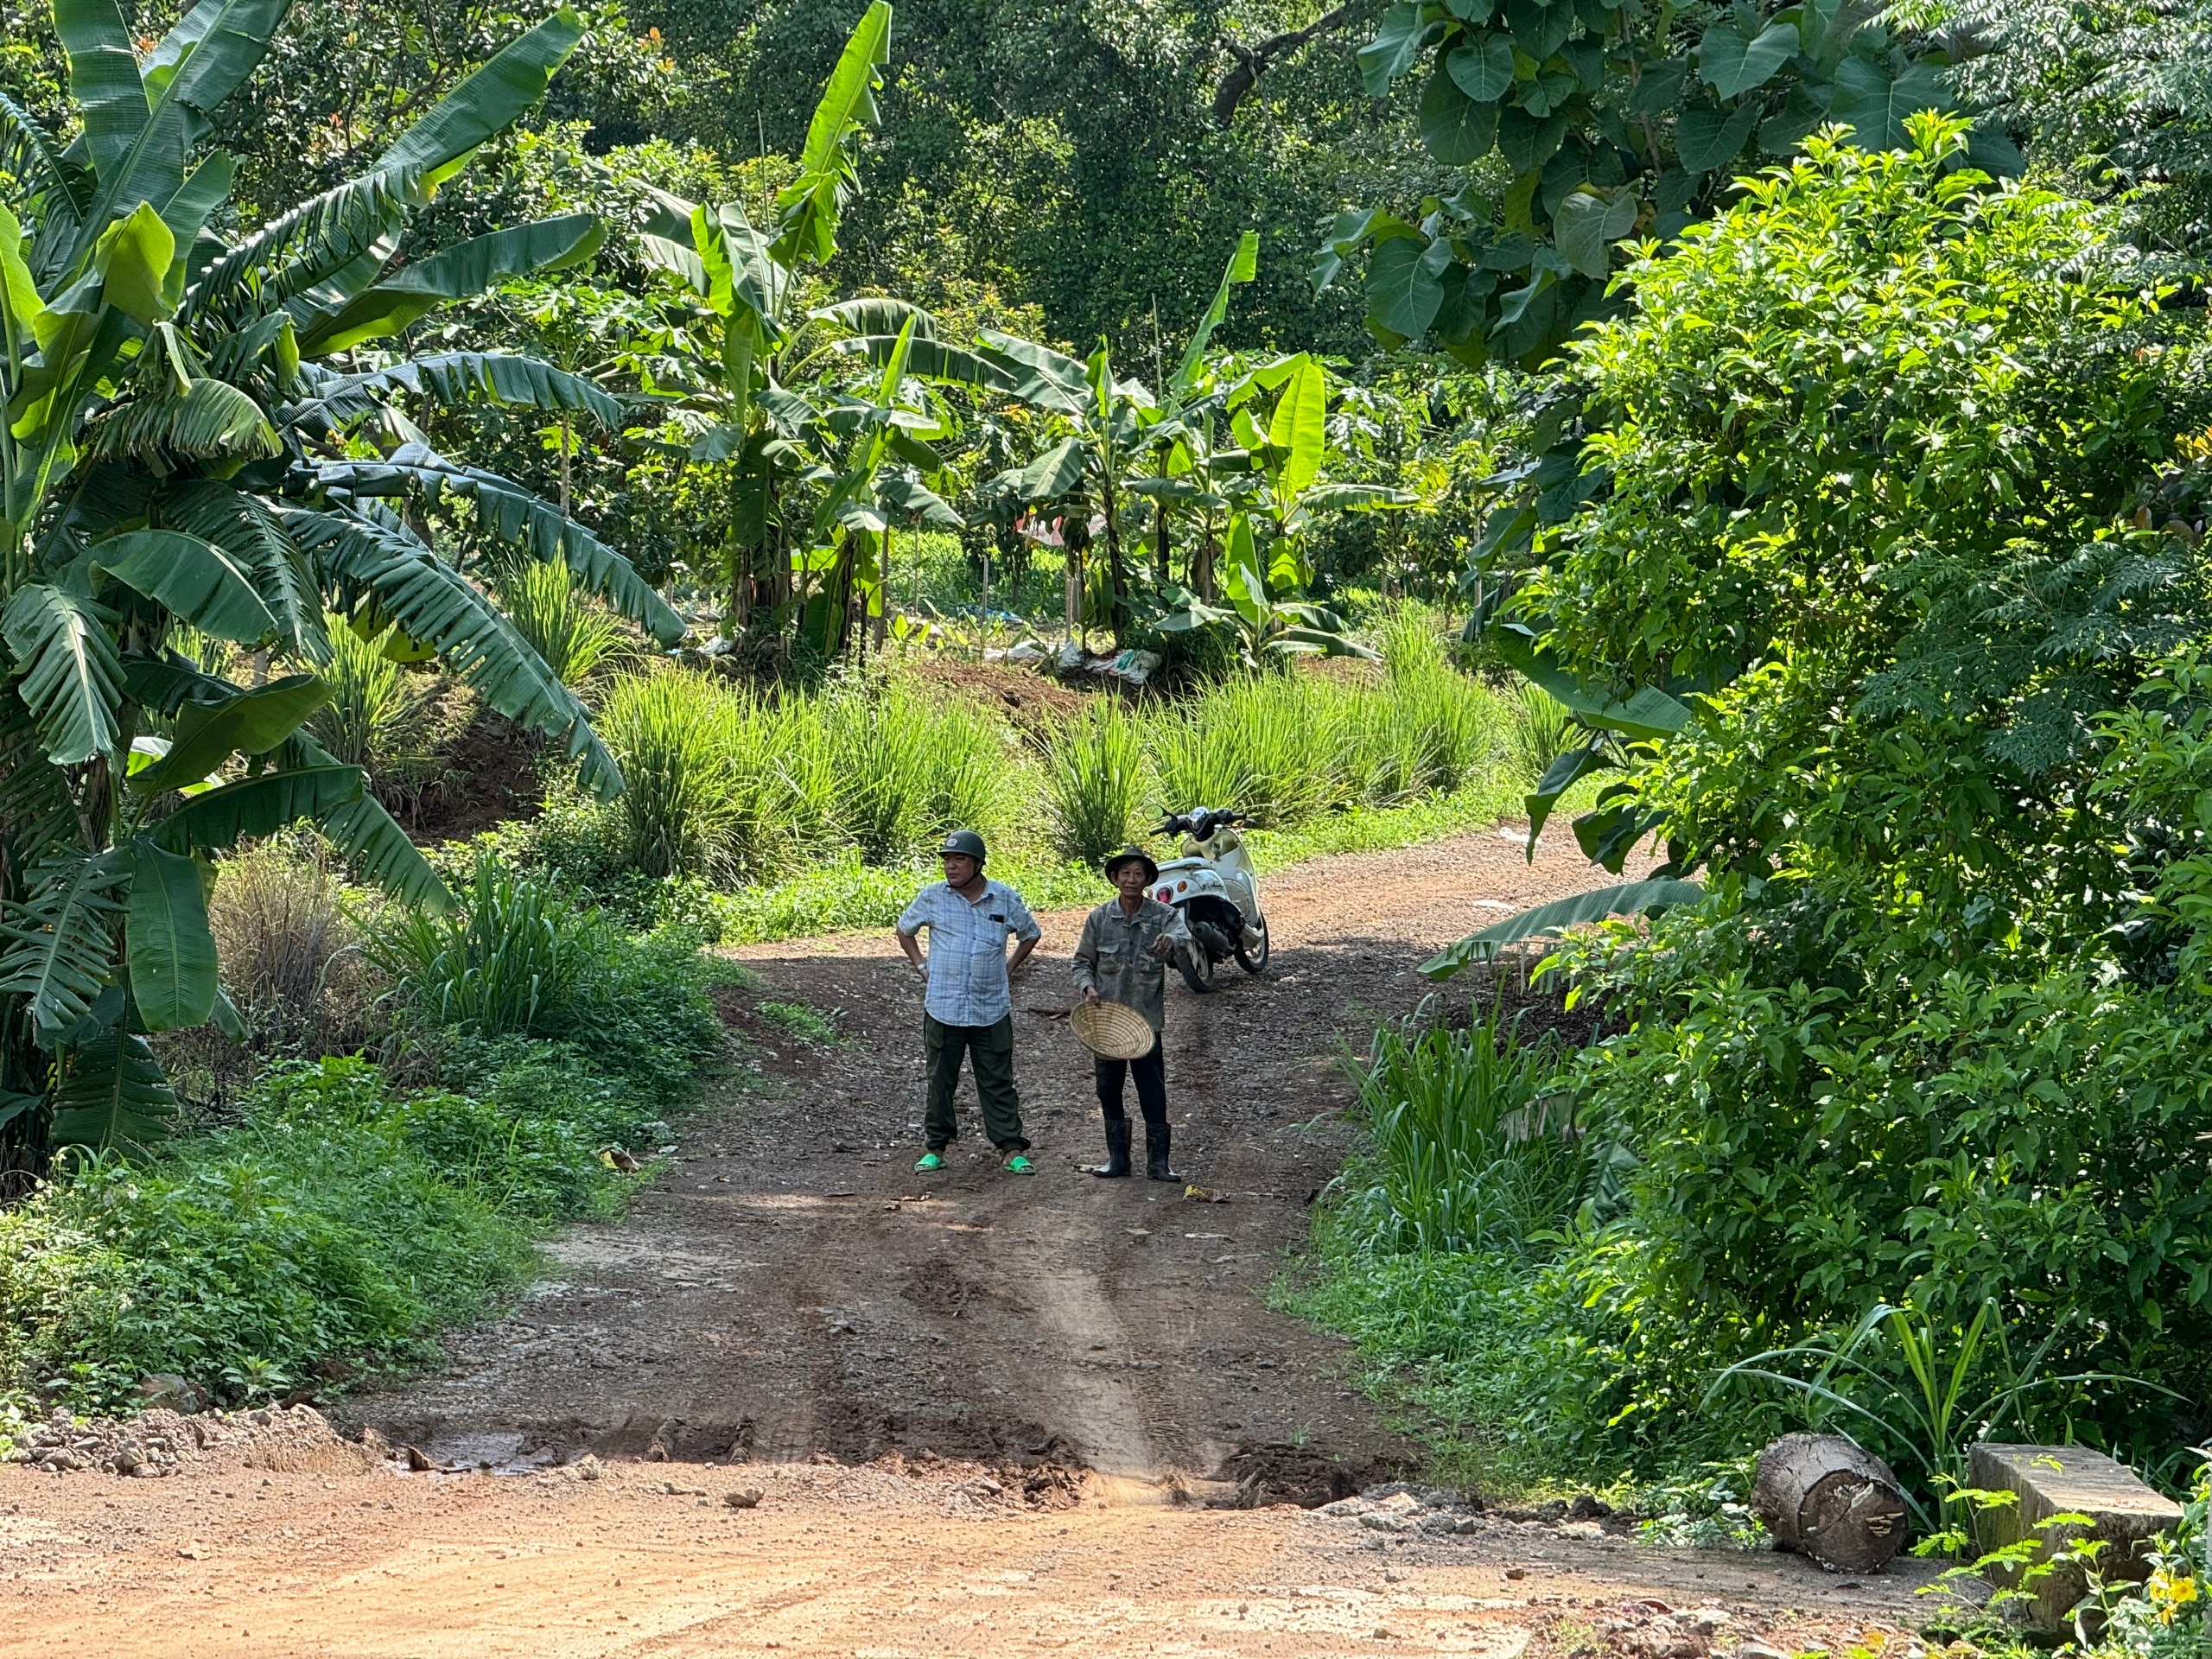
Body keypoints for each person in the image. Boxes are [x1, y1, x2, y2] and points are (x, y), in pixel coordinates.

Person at [895, 830, 1043, 1175]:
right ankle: (935, 1147)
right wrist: (921, 966)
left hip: (990, 1007)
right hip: (943, 1005)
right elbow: (905, 930)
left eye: (959, 859)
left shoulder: (1003, 898)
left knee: (997, 1078)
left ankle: (1010, 1147)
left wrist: (1009, 968)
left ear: (978, 864)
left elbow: (1030, 933)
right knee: (940, 1078)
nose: (951, 866)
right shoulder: (932, 897)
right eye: (947, 859)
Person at [1071, 845, 1188, 1181]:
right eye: (1125, 873)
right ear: (1114, 878)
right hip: (1107, 1022)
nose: (1131, 880)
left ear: (1147, 879)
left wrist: (1172, 941)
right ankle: (1118, 1160)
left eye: (1138, 874)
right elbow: (1082, 962)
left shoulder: (1162, 915)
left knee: (1152, 1089)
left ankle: (1158, 1164)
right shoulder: (1099, 918)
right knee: (1108, 1089)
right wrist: (1088, 987)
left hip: (1146, 1023)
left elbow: (1184, 937)